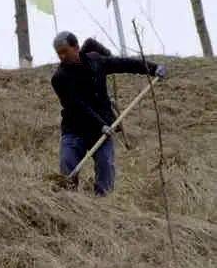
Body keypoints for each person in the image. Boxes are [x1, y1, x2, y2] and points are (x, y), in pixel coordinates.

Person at [51, 31, 167, 196]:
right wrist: (101, 124)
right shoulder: (59, 78)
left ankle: (103, 205)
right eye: (58, 53)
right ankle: (70, 200)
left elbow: (125, 64)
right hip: (75, 129)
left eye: (64, 51)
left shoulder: (96, 61)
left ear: (76, 47)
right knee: (67, 164)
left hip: (102, 128)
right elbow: (77, 106)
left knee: (106, 165)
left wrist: (154, 68)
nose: (61, 56)